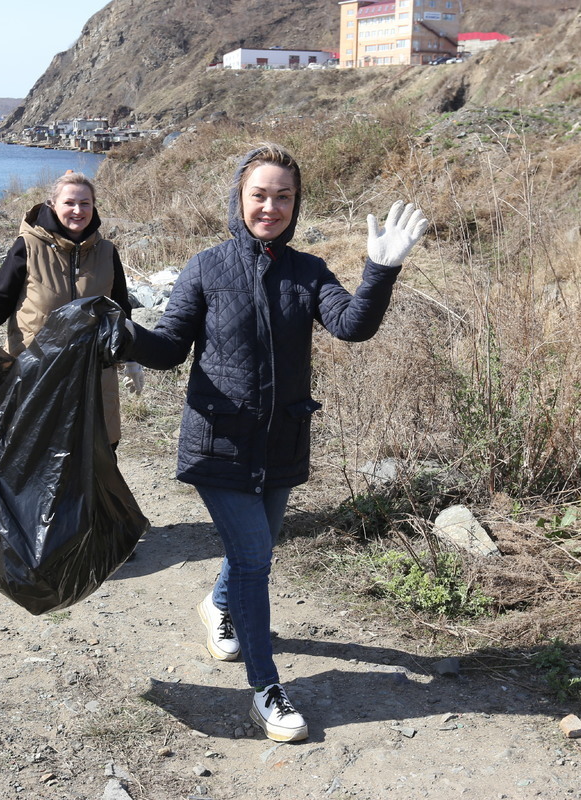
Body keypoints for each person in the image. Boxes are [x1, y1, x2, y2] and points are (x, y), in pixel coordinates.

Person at [125, 143, 428, 743]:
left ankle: (218, 606)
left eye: (283, 196)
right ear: (239, 199)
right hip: (218, 442)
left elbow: (352, 326)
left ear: (296, 203)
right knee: (255, 559)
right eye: (259, 194)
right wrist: (121, 335)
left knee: (250, 552)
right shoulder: (206, 268)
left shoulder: (308, 272)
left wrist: (380, 270)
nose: (271, 206)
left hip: (282, 442)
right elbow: (167, 350)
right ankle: (266, 690)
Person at [0, 171, 143, 447]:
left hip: (94, 374)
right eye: (69, 203)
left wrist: (132, 354)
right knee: (36, 454)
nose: (78, 210)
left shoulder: (107, 252)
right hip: (36, 372)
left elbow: (121, 310)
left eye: (85, 203)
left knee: (96, 452)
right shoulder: (28, 246)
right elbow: (1, 297)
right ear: (52, 205)